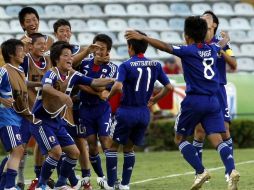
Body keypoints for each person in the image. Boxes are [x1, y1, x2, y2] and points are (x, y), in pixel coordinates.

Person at [125, 16, 239, 190]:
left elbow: (165, 46)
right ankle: (231, 171)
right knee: (217, 138)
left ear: (187, 36)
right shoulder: (213, 47)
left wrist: (143, 38)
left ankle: (201, 171)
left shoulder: (188, 50)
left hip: (194, 100)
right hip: (213, 101)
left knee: (179, 138)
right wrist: (227, 38)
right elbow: (222, 43)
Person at [31, 42, 114, 189]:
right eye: (66, 55)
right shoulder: (52, 72)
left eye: (71, 55)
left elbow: (94, 81)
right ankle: (41, 185)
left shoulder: (74, 74)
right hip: (41, 120)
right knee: (56, 152)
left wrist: (114, 80)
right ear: (57, 59)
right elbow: (46, 87)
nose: (70, 58)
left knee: (74, 152)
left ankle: (61, 183)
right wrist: (62, 96)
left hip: (57, 121)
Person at [102, 30, 173, 190]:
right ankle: (125, 184)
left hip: (127, 111)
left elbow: (118, 86)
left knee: (112, 146)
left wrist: (107, 97)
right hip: (143, 113)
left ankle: (111, 183)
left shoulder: (126, 65)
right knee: (129, 148)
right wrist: (155, 99)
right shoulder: (156, 65)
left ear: (130, 47)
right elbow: (169, 87)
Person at [53, 19, 102, 190]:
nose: (65, 34)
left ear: (71, 33)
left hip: (76, 102)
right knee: (59, 141)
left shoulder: (78, 50)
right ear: (55, 34)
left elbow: (81, 73)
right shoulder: (54, 52)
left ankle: (86, 178)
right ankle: (63, 178)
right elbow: (69, 65)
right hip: (57, 104)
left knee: (80, 139)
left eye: (67, 30)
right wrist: (87, 50)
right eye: (61, 31)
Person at [193, 10, 237, 182]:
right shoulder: (195, 41)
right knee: (199, 131)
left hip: (218, 89)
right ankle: (199, 172)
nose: (204, 19)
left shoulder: (221, 43)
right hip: (200, 90)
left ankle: (230, 171)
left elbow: (234, 64)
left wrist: (222, 51)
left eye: (208, 17)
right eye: (202, 18)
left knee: (225, 130)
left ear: (214, 24)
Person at [78, 34, 118, 188]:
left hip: (102, 109)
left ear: (108, 51)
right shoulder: (84, 64)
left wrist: (89, 85)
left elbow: (103, 88)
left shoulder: (113, 68)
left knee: (106, 140)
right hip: (85, 109)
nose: (99, 51)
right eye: (96, 47)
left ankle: (112, 179)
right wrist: (95, 90)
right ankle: (101, 177)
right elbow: (77, 82)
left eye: (103, 48)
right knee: (92, 145)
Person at [16, 33, 53, 190]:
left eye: (45, 44)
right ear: (30, 46)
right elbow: (20, 80)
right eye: (39, 44)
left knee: (48, 147)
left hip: (43, 111)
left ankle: (43, 181)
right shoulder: (25, 59)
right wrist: (39, 83)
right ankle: (19, 179)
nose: (43, 47)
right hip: (27, 111)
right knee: (20, 147)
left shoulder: (49, 61)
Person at [0, 39, 30, 189]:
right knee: (17, 150)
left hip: (18, 117)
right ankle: (9, 186)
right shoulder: (4, 70)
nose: (24, 53)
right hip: (6, 117)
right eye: (21, 50)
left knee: (16, 152)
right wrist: (1, 99)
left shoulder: (20, 71)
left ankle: (4, 185)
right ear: (12, 53)